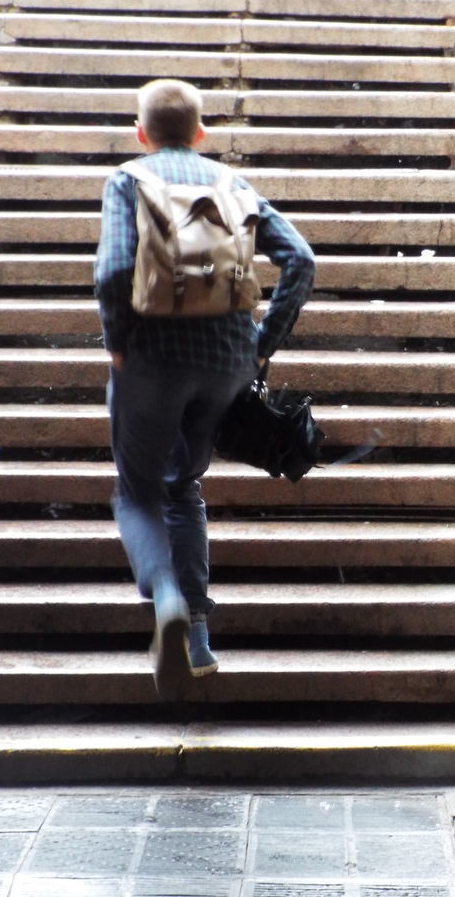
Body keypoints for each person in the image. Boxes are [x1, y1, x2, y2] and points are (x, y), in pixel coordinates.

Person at [94, 78, 316, 699]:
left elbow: (113, 270)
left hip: (150, 361)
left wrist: (117, 341)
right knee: (183, 485)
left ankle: (165, 598)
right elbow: (300, 259)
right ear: (201, 133)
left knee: (137, 494)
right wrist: (261, 345)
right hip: (224, 362)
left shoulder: (128, 180)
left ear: (142, 133)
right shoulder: (232, 184)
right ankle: (196, 637)